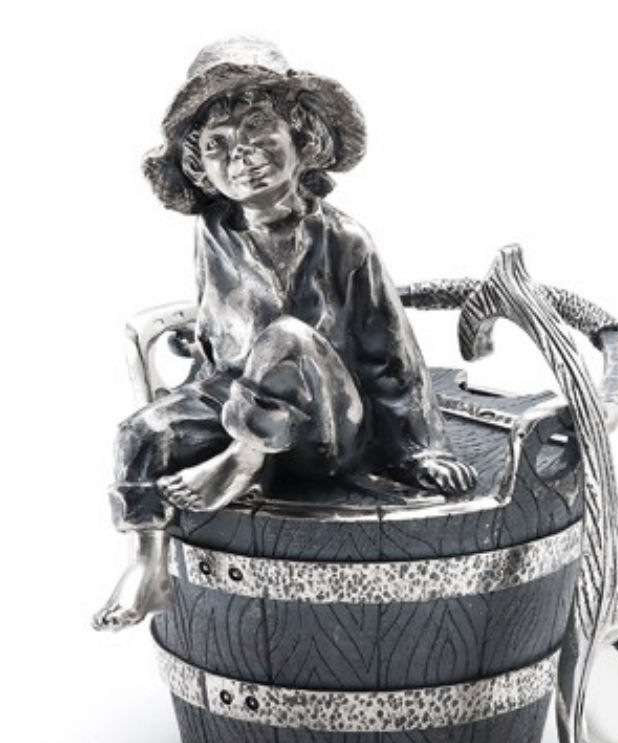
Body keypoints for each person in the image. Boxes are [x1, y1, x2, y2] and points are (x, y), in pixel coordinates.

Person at [93, 38, 476, 631]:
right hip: (236, 397)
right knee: (140, 431)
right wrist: (199, 368)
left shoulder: (344, 239)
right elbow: (220, 323)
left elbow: (391, 357)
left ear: (302, 136)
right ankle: (148, 562)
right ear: (199, 167)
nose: (240, 156)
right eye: (217, 146)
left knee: (288, 337)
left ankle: (245, 458)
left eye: (257, 129)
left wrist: (421, 450)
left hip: (327, 427)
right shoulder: (213, 229)